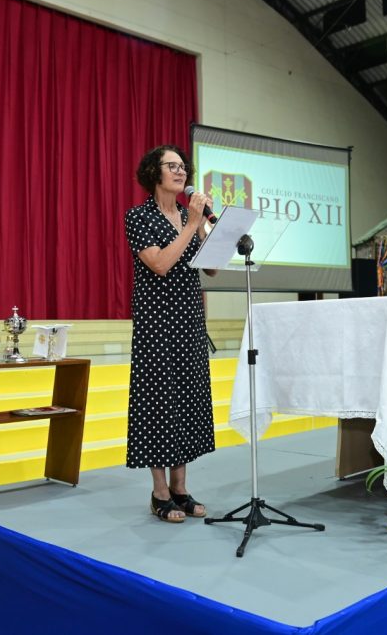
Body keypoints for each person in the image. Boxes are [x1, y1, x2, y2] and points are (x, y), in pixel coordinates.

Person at [124, 145, 216, 523]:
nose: (180, 172)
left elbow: (211, 269)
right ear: (154, 173)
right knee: (159, 403)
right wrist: (191, 225)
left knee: (187, 401)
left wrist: (207, 226)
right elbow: (160, 263)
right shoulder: (139, 217)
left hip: (189, 319)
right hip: (157, 323)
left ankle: (180, 489)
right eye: (172, 166)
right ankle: (159, 492)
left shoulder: (187, 215)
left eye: (183, 166)